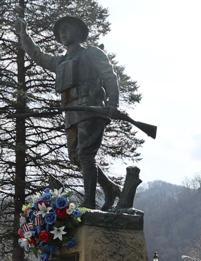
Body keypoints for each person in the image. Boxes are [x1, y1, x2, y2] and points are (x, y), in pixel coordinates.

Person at [16, 16, 122, 210]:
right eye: (60, 31)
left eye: (66, 28)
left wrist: (113, 104)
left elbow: (109, 76)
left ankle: (89, 203)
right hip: (71, 114)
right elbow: (38, 55)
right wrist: (24, 36)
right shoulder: (61, 61)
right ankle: (109, 188)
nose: (62, 32)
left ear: (78, 32)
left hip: (91, 110)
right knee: (77, 158)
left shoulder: (91, 54)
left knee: (85, 154)